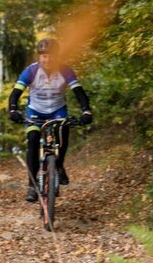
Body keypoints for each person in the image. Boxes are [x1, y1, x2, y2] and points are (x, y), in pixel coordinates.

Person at [8, 38, 92, 202]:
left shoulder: (65, 71)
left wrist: (86, 110)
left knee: (63, 133)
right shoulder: (31, 71)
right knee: (33, 140)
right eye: (44, 56)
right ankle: (32, 186)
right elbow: (15, 93)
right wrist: (13, 109)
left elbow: (79, 92)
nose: (48, 59)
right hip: (35, 111)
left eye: (51, 55)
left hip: (57, 110)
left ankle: (58, 165)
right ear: (39, 57)